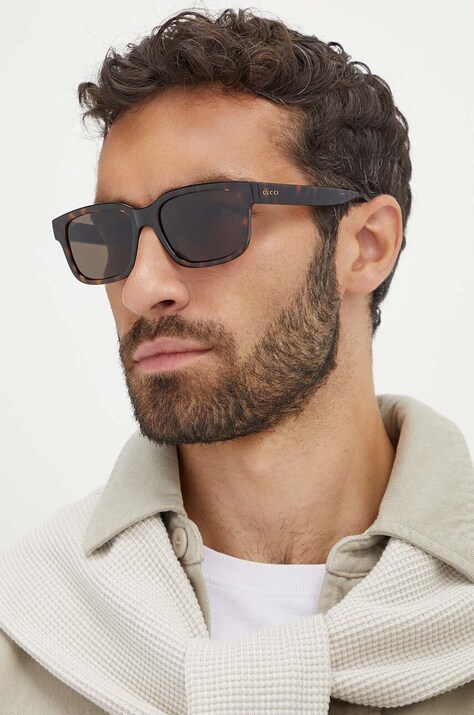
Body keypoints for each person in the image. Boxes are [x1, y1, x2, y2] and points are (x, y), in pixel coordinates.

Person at [1, 7, 473, 714]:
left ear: (366, 245)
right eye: (110, 234)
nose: (141, 288)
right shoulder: (31, 625)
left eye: (208, 218)